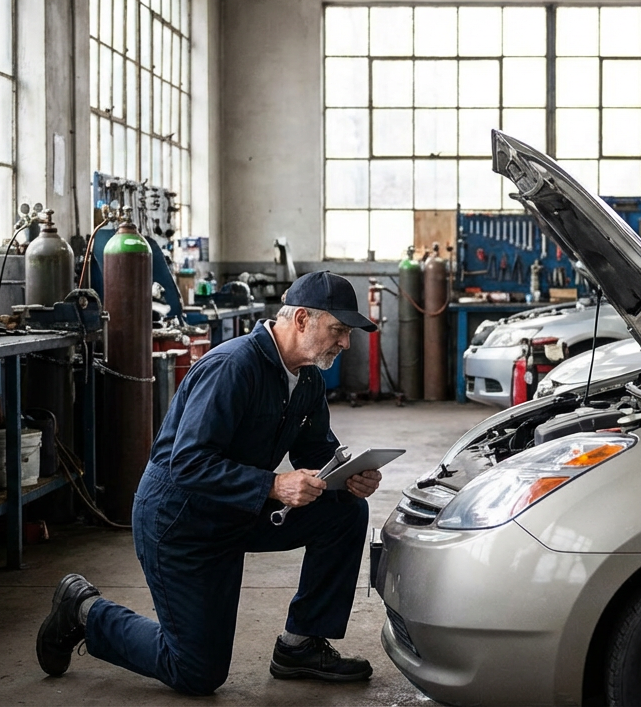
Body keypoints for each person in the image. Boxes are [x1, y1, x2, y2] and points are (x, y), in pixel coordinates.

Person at [36, 271, 383, 695]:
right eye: (339, 330)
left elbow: (315, 452)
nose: (345, 343)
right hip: (181, 521)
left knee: (344, 510)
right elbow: (187, 463)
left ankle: (301, 645)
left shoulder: (307, 378)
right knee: (196, 671)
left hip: (236, 508)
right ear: (301, 320)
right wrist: (275, 485)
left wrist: (347, 476)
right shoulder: (232, 367)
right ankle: (83, 610)